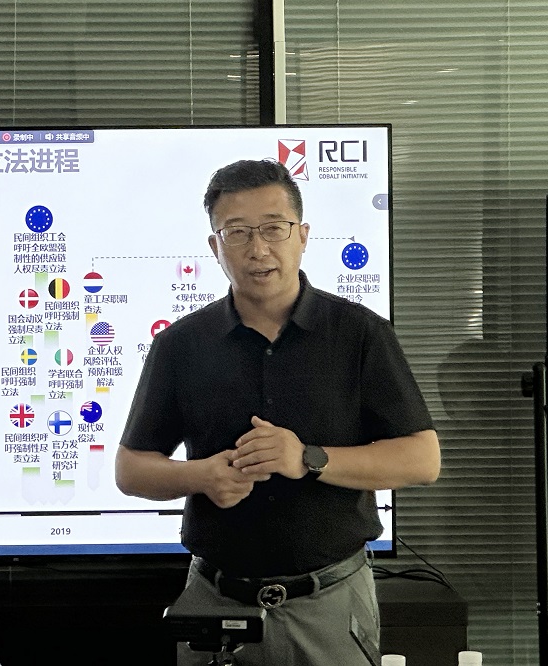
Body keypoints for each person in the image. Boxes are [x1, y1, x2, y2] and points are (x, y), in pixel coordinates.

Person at [115, 158, 440, 665]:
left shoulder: (359, 334)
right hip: (215, 601)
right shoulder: (181, 345)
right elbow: (131, 469)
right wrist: (201, 476)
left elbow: (422, 460)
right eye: (237, 232)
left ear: (303, 235)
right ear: (215, 246)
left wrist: (308, 458)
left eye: (274, 228)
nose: (258, 249)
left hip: (330, 603)